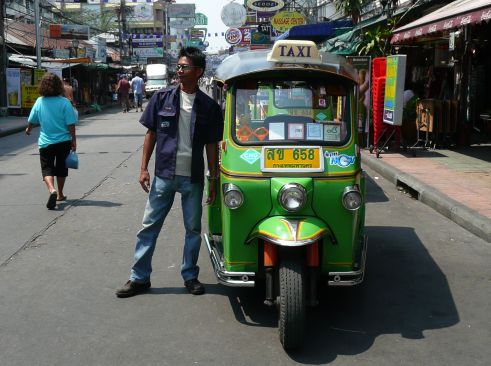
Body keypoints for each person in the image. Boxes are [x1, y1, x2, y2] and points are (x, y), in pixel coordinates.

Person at [116, 47, 224, 298]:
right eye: (178, 66)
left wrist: (214, 178)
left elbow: (211, 145)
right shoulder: (162, 98)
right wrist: (143, 169)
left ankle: (190, 275)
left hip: (193, 177)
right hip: (164, 175)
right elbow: (150, 134)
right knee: (148, 227)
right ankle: (139, 278)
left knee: (193, 230)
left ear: (198, 72)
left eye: (185, 67)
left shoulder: (209, 107)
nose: (179, 70)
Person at [25, 73, 78, 209]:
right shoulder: (64, 102)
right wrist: (74, 140)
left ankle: (51, 190)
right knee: (61, 167)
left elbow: (32, 120)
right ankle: (60, 194)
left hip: (45, 142)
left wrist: (28, 129)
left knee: (47, 167)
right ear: (59, 87)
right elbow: (71, 123)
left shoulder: (39, 101)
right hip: (63, 141)